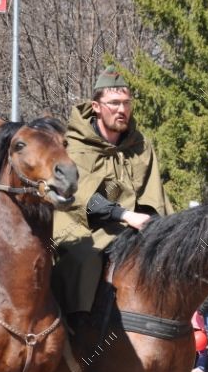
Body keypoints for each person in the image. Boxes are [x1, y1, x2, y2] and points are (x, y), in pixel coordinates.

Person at [52, 64, 172, 319]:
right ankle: (75, 327)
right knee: (83, 260)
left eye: (126, 103)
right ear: (96, 107)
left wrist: (159, 226)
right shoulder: (74, 145)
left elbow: (154, 195)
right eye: (114, 103)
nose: (122, 110)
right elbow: (79, 198)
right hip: (85, 227)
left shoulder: (140, 145)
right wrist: (124, 215)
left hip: (134, 227)